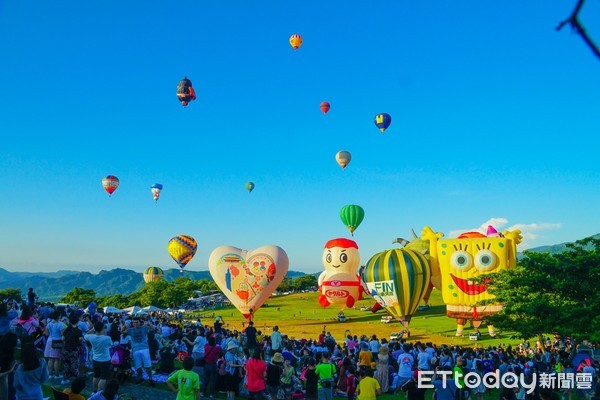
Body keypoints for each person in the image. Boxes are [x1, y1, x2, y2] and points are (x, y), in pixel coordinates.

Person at [124, 317, 154, 386]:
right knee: (138, 366)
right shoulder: (130, 330)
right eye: (134, 322)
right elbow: (122, 332)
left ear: (140, 322)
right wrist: (125, 326)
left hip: (144, 348)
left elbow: (152, 329)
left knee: (148, 365)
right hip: (135, 349)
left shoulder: (144, 328)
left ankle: (150, 379)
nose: (135, 324)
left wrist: (149, 324)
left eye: (136, 322)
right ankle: (141, 377)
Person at [84, 321, 112, 393]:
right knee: (103, 378)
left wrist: (93, 329)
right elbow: (110, 345)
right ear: (103, 328)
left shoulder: (91, 337)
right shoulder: (107, 338)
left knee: (96, 376)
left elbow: (86, 334)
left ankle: (94, 392)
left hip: (95, 359)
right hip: (105, 360)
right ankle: (99, 394)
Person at [61, 314, 84, 385]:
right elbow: (81, 339)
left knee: (66, 364)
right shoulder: (78, 330)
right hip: (74, 349)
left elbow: (62, 339)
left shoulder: (67, 329)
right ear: (77, 321)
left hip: (66, 348)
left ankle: (65, 378)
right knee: (74, 364)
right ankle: (76, 380)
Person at [44, 310, 66, 379]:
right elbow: (63, 334)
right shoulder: (60, 325)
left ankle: (50, 374)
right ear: (59, 316)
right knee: (57, 359)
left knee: (50, 359)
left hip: (50, 340)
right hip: (57, 340)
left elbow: (46, 333)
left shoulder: (49, 324)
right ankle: (56, 374)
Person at [203, 335, 222, 399]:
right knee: (212, 380)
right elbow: (220, 353)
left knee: (205, 379)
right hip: (213, 365)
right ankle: (211, 394)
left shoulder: (206, 346)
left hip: (206, 364)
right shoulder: (217, 348)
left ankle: (202, 392)